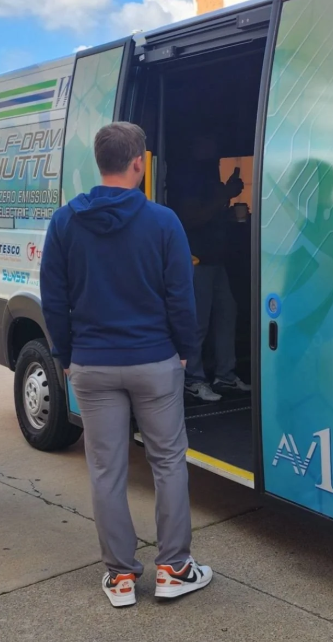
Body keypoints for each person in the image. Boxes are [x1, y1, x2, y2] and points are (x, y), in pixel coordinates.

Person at [40, 122, 213, 608]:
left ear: (100, 161)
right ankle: (175, 569)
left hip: (92, 365)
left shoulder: (65, 222)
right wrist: (185, 351)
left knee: (106, 470)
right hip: (154, 360)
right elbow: (181, 296)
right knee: (168, 463)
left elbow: (53, 299)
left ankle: (119, 576)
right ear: (140, 161)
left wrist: (67, 356)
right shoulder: (163, 222)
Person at [171, 143, 250, 403]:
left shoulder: (210, 179)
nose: (215, 153)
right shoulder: (190, 180)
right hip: (197, 261)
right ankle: (193, 379)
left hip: (218, 261)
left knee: (228, 313)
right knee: (198, 323)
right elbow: (190, 218)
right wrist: (224, 194)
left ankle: (225, 374)